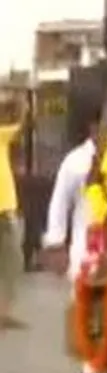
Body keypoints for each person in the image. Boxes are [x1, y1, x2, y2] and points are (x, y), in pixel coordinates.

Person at [40, 101, 102, 373]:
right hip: (84, 249)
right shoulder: (75, 162)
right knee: (84, 311)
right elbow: (59, 203)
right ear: (92, 126)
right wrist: (56, 243)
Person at [0, 101, 26, 330]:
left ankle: (3, 313)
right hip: (3, 212)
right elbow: (21, 118)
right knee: (12, 263)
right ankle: (3, 313)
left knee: (11, 263)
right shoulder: (1, 137)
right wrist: (17, 103)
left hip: (6, 210)